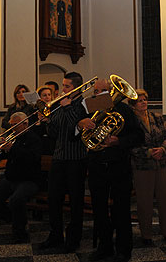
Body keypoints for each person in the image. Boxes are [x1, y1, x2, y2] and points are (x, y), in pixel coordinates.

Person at [82, 78, 144, 262]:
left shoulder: (124, 110)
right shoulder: (90, 108)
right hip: (96, 166)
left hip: (119, 166)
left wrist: (118, 141)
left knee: (121, 209)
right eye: (95, 91)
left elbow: (139, 136)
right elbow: (76, 134)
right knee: (99, 209)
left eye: (102, 90)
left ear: (111, 91)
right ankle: (105, 247)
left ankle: (124, 249)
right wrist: (81, 124)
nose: (98, 94)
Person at [40, 72, 88, 253]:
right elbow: (55, 133)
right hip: (58, 158)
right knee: (54, 199)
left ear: (76, 87)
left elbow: (75, 127)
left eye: (67, 86)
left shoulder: (83, 105)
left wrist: (67, 107)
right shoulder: (60, 105)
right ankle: (55, 235)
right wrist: (47, 121)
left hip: (76, 159)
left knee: (76, 202)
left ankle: (73, 239)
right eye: (63, 86)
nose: (62, 90)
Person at [0, 112, 42, 242]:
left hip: (29, 180)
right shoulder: (12, 138)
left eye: (16, 125)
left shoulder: (34, 138)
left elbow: (33, 159)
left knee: (16, 200)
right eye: (11, 125)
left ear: (25, 124)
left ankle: (20, 233)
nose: (12, 128)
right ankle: (12, 217)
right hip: (11, 179)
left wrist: (13, 148)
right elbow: (0, 157)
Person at [128, 88, 166, 245]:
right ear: (133, 104)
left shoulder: (157, 117)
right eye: (140, 100)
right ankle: (146, 235)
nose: (144, 102)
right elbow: (130, 146)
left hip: (161, 163)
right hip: (142, 166)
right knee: (144, 201)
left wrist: (162, 149)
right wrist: (148, 152)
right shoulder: (130, 121)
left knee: (164, 200)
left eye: (145, 99)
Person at [35, 85, 55, 155]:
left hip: (52, 143)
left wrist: (48, 120)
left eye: (49, 95)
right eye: (44, 95)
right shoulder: (35, 111)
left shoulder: (55, 109)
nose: (47, 97)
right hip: (40, 144)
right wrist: (39, 123)